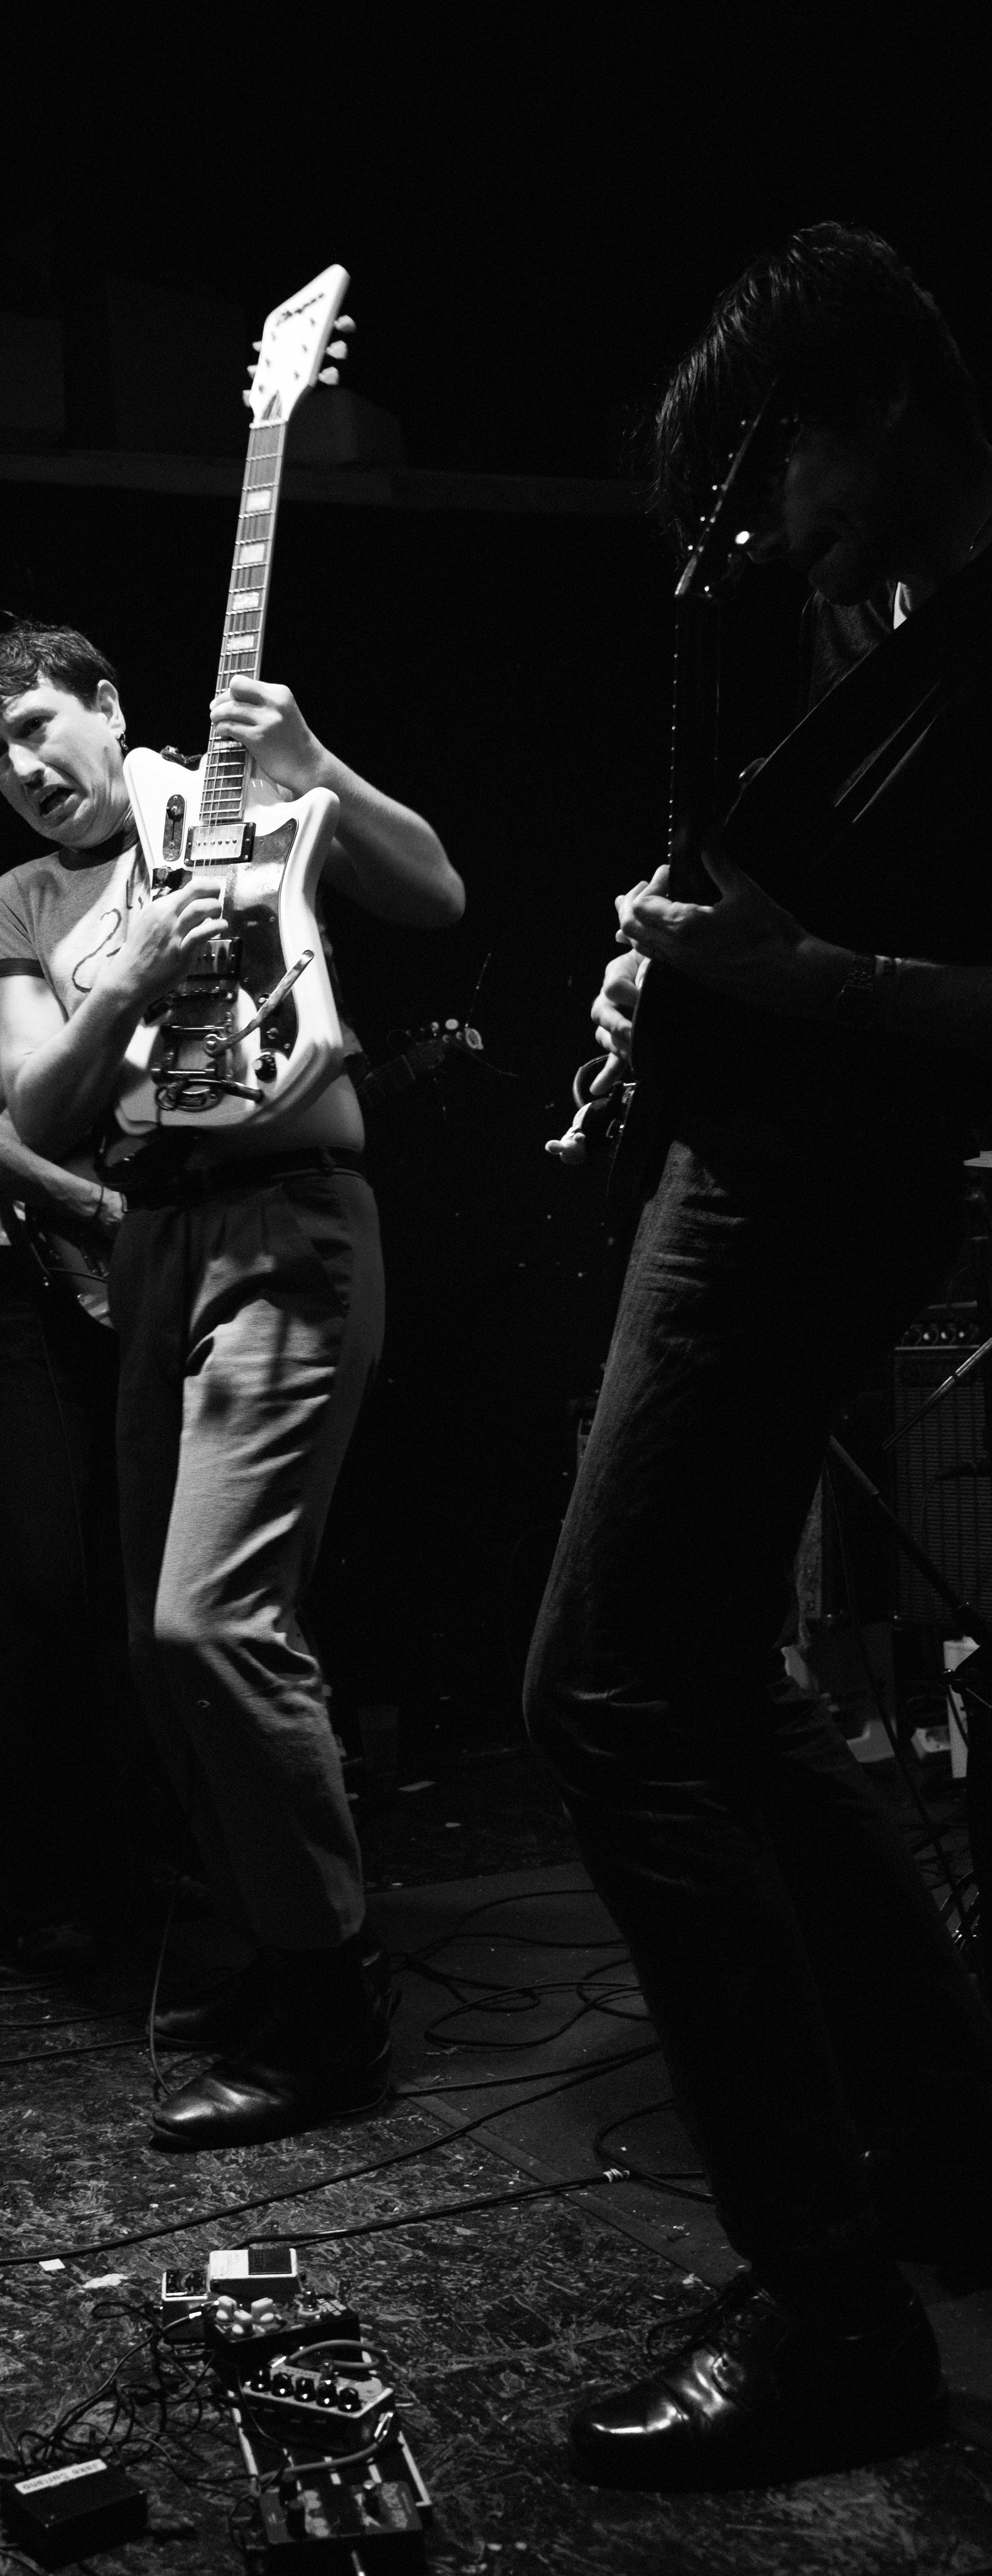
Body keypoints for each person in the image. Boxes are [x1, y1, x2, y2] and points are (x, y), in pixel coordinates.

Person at [525, 223, 992, 2491]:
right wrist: (681, 977)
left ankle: (832, 2301)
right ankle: (952, 2160)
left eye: (782, 454)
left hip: (804, 1191)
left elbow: (911, 979)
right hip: (757, 1156)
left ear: (889, 404)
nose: (765, 516)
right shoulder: (872, 647)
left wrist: (795, 984)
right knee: (719, 1683)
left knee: (606, 1691)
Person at [0, 618, 463, 2150]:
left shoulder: (218, 798)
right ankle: (282, 1958)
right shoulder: (24, 898)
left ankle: (333, 2001)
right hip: (153, 1243)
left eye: (43, 726)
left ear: (109, 706)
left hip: (286, 1221)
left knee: (214, 1621)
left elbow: (432, 892)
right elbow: (38, 1098)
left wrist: (313, 762)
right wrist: (132, 981)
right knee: (164, 1655)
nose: (28, 769)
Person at [0, 1016, 152, 1952]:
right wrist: (100, 1210)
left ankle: (128, 1878)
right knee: (38, 1587)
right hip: (32, 1306)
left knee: (141, 1600)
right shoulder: (33, 993)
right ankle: (32, 1881)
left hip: (153, 1313)